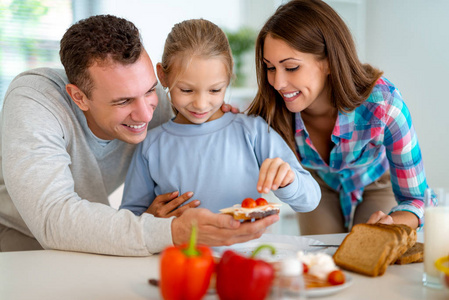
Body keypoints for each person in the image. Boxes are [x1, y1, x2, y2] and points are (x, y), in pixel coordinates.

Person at [0, 15, 279, 254]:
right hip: (17, 236)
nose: (146, 116)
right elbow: (53, 219)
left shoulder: (155, 102)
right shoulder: (35, 102)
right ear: (79, 97)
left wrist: (216, 114)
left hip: (90, 241)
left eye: (149, 90)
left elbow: (195, 112)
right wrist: (170, 230)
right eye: (123, 102)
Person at [247, 0, 435, 234]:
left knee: (368, 249)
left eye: (292, 67)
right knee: (319, 257)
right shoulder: (270, 109)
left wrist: (393, 222)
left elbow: (418, 200)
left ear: (328, 62)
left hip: (375, 182)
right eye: (270, 67)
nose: (277, 83)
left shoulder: (384, 104)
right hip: (317, 184)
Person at [119, 19, 320, 217]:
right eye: (187, 90)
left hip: (246, 250)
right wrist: (150, 218)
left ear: (229, 74)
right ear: (163, 76)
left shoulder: (253, 132)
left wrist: (289, 181)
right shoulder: (151, 146)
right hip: (180, 250)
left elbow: (310, 201)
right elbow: (128, 220)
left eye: (215, 90)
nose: (201, 103)